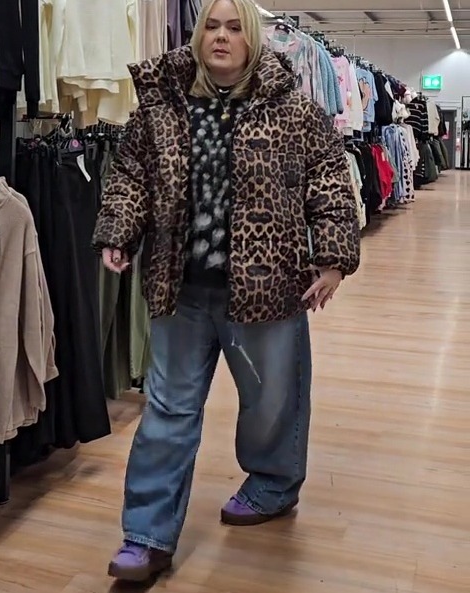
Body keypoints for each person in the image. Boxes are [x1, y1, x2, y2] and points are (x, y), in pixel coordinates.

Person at [92, 0, 360, 582]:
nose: (221, 36)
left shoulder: (294, 108)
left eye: (235, 27)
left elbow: (330, 180)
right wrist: (119, 231)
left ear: (254, 37)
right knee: (167, 410)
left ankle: (272, 485)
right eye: (211, 25)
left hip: (267, 292)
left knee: (272, 402)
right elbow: (131, 173)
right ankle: (146, 536)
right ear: (197, 34)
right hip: (180, 289)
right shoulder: (161, 106)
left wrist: (334, 258)